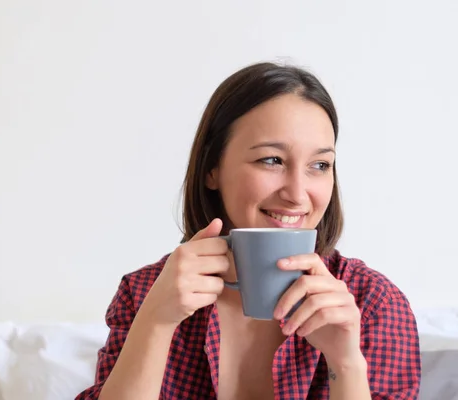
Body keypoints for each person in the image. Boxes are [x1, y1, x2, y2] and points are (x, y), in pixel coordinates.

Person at [75, 62, 421, 400]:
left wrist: (346, 365)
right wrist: (155, 323)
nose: (298, 194)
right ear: (212, 168)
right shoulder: (144, 294)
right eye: (272, 160)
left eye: (319, 165)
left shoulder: (372, 303)